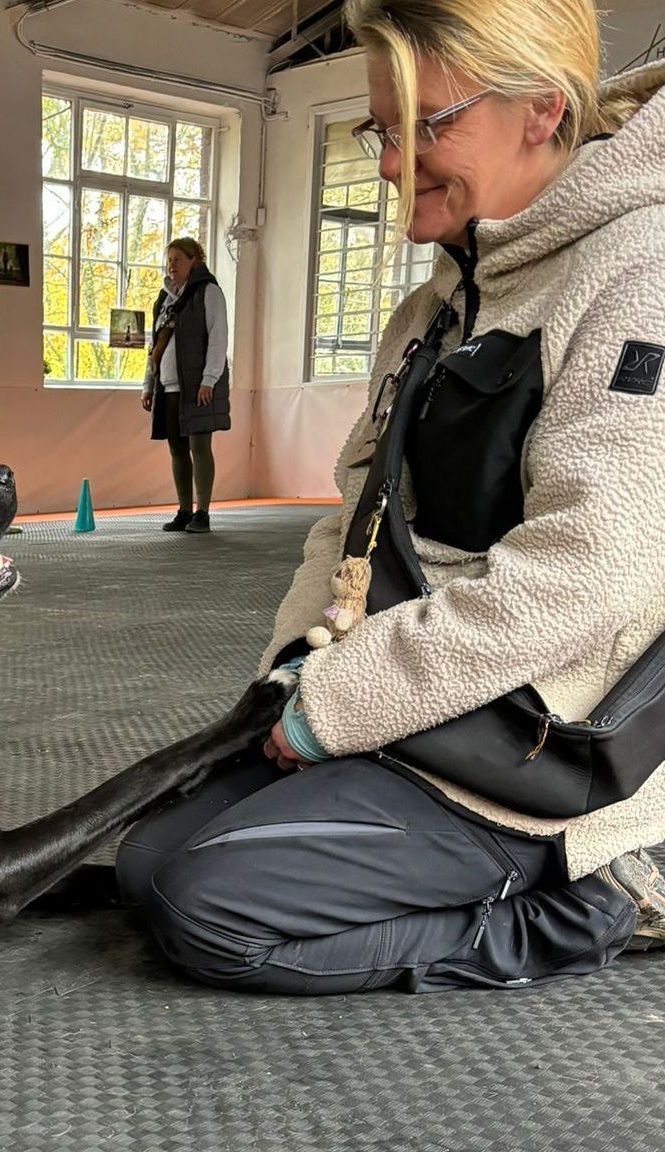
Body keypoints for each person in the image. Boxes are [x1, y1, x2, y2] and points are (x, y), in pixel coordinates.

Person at [116, 0, 665, 993]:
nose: (390, 164)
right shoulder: (432, 307)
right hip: (411, 701)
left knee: (210, 911)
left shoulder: (639, 271)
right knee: (145, 868)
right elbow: (353, 521)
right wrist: (293, 674)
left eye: (428, 125)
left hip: (533, 745)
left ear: (542, 109)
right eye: (381, 130)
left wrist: (339, 705)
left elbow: (588, 575)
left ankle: (592, 901)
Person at [141, 238, 231, 534]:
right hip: (168, 388)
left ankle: (202, 513)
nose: (172, 265)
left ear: (195, 260)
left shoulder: (209, 291)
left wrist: (209, 380)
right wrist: (147, 385)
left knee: (199, 447)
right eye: (169, 259)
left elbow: (218, 338)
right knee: (177, 450)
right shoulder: (164, 300)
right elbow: (154, 346)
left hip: (198, 387)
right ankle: (184, 511)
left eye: (178, 259)